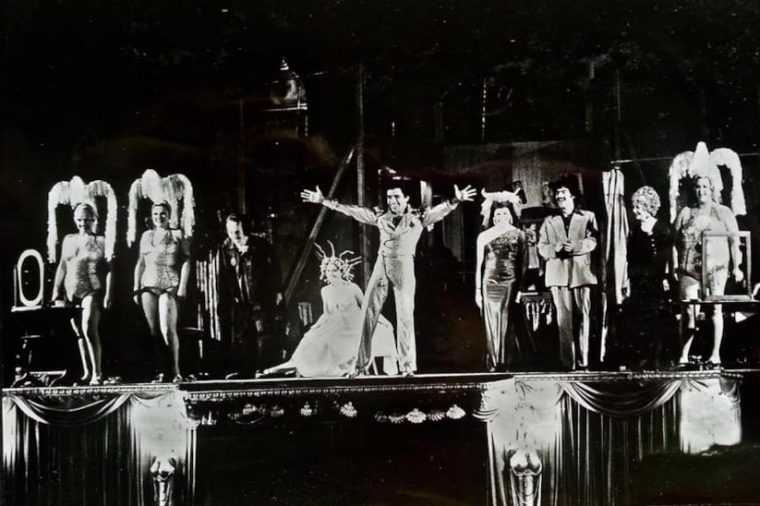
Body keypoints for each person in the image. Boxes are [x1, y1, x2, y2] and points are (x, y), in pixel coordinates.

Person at [301, 183, 476, 376]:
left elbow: (440, 211)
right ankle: (359, 366)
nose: (392, 201)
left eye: (397, 197)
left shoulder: (418, 217)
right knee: (367, 312)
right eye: (389, 197)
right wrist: (324, 200)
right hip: (381, 264)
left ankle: (407, 366)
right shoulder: (381, 217)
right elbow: (354, 211)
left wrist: (456, 199)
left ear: (406, 198)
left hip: (403, 265)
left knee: (405, 315)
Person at [262, 244, 397, 377]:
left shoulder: (352, 288)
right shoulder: (325, 290)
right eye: (329, 271)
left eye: (335, 270)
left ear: (342, 272)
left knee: (338, 341)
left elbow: (367, 308)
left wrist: (382, 320)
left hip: (353, 325)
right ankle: (290, 367)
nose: (332, 274)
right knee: (310, 338)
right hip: (334, 323)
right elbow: (327, 313)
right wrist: (316, 327)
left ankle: (349, 369)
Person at [674, 175, 743, 367]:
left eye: (705, 186)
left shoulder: (723, 212)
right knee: (689, 309)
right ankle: (683, 355)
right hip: (690, 269)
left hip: (717, 268)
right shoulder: (686, 212)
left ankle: (715, 355)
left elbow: (735, 240)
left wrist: (737, 266)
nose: (701, 190)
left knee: (715, 308)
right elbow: (674, 242)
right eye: (698, 186)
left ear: (712, 189)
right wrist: (675, 265)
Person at [537, 177, 598, 370]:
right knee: (563, 321)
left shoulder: (588, 217)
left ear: (572, 195)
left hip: (582, 274)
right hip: (558, 275)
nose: (559, 196)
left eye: (563, 192)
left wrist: (577, 246)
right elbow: (541, 247)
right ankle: (568, 363)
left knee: (583, 318)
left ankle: (584, 361)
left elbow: (594, 241)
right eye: (557, 193)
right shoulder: (549, 221)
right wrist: (556, 248)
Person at [52, 203, 112, 385]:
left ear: (94, 219)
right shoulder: (68, 239)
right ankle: (87, 372)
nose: (83, 223)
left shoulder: (101, 240)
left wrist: (109, 294)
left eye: (87, 219)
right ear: (74, 220)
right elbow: (62, 265)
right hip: (70, 291)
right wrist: (56, 290)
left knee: (88, 329)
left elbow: (110, 270)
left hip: (92, 289)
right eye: (79, 220)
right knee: (79, 332)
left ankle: (97, 373)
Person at [133, 202, 192, 383]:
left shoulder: (177, 234)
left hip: (169, 284)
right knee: (154, 332)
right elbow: (140, 263)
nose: (159, 217)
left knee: (168, 329)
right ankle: (162, 371)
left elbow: (187, 260)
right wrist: (136, 288)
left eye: (163, 214)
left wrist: (183, 285)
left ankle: (175, 371)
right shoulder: (146, 236)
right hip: (148, 285)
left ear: (169, 215)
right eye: (156, 214)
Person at [219, 214, 283, 377]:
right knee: (244, 334)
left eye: (237, 232)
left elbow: (274, 269)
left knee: (263, 332)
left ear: (244, 229)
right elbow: (226, 274)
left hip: (261, 297)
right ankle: (245, 371)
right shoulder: (227, 248)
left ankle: (264, 370)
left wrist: (277, 291)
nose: (235, 236)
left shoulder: (260, 245)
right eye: (231, 232)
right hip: (241, 299)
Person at [618, 186, 674, 368]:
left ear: (648, 207)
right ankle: (641, 359)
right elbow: (630, 258)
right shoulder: (635, 230)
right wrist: (627, 280)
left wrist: (665, 277)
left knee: (656, 320)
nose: (635, 211)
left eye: (639, 207)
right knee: (637, 320)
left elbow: (667, 257)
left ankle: (656, 360)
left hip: (656, 282)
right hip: (638, 282)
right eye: (634, 207)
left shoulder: (662, 229)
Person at [475, 201, 526, 371]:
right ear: (493, 217)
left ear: (510, 216)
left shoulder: (519, 234)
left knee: (505, 320)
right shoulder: (484, 236)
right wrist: (477, 291)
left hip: (510, 282)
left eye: (505, 213)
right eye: (498, 214)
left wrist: (520, 289)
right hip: (489, 281)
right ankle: (493, 361)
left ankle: (503, 361)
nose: (501, 217)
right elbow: (479, 265)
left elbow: (523, 264)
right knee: (490, 321)